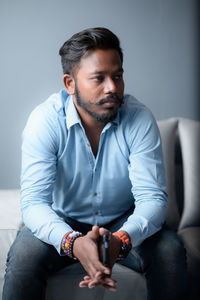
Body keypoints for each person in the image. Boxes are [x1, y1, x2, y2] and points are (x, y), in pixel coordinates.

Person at [3, 27, 188, 300]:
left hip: (124, 217)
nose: (112, 87)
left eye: (117, 76)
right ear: (70, 84)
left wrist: (122, 239)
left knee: (170, 252)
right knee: (24, 255)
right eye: (98, 78)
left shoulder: (139, 119)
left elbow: (152, 198)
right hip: (62, 218)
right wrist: (72, 242)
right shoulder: (44, 121)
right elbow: (34, 203)